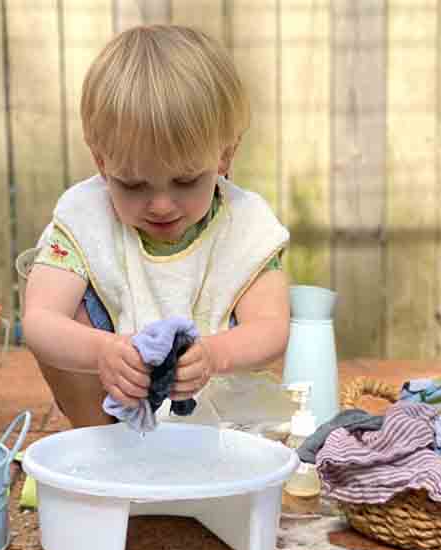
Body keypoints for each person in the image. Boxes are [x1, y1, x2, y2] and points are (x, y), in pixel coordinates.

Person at [22, 24, 290, 427]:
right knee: (60, 303)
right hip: (108, 404)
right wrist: (103, 351)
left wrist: (215, 354)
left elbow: (270, 326)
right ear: (101, 161)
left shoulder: (244, 224)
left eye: (186, 181)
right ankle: (99, 445)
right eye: (132, 184)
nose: (161, 205)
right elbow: (40, 319)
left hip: (217, 418)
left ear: (224, 156)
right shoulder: (87, 217)